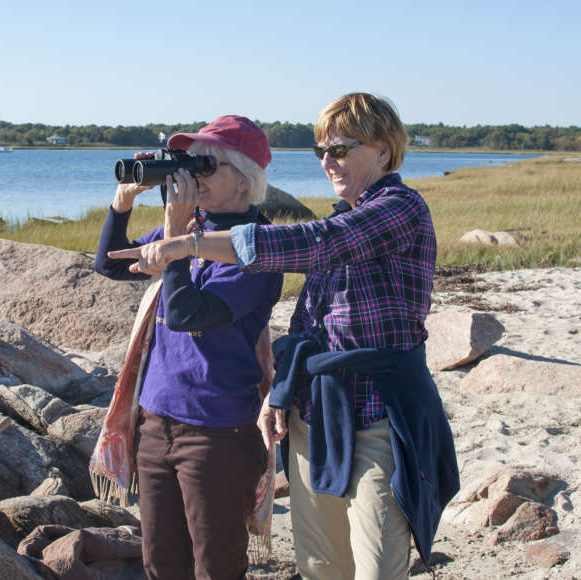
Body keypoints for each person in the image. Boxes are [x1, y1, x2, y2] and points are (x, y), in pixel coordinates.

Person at [107, 94, 460, 579]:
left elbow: (316, 245)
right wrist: (280, 392)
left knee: (377, 567)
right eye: (320, 152)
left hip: (381, 410)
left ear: (382, 151)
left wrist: (182, 244)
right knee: (320, 567)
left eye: (338, 149)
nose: (327, 161)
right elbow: (311, 324)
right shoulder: (340, 213)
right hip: (315, 411)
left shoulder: (400, 209)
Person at [94, 114, 283, 579]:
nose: (192, 175)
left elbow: (186, 316)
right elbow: (109, 264)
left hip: (217, 432)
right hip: (157, 422)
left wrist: (177, 239)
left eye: (206, 165)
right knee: (161, 564)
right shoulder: (190, 227)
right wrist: (122, 204)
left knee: (215, 568)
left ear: (243, 181)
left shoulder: (258, 249)